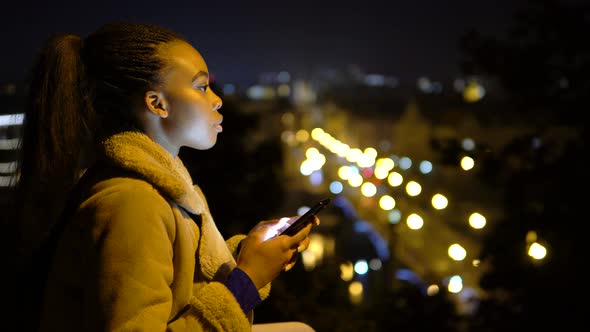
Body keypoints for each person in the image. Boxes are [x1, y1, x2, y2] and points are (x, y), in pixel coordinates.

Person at [14, 21, 318, 331]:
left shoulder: (163, 186)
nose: (217, 99)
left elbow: (184, 280)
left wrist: (248, 255)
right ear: (157, 103)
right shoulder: (132, 203)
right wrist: (248, 279)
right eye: (202, 86)